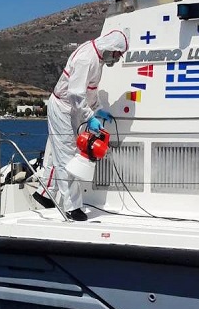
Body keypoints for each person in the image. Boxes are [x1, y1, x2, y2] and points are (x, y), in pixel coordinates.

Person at [34, 29, 129, 221]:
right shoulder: (86, 59)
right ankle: (72, 207)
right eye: (118, 54)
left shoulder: (97, 59)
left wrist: (97, 109)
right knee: (66, 156)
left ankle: (45, 193)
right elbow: (76, 94)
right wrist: (89, 116)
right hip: (63, 107)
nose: (118, 59)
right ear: (111, 48)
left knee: (60, 151)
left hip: (72, 109)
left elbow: (90, 90)